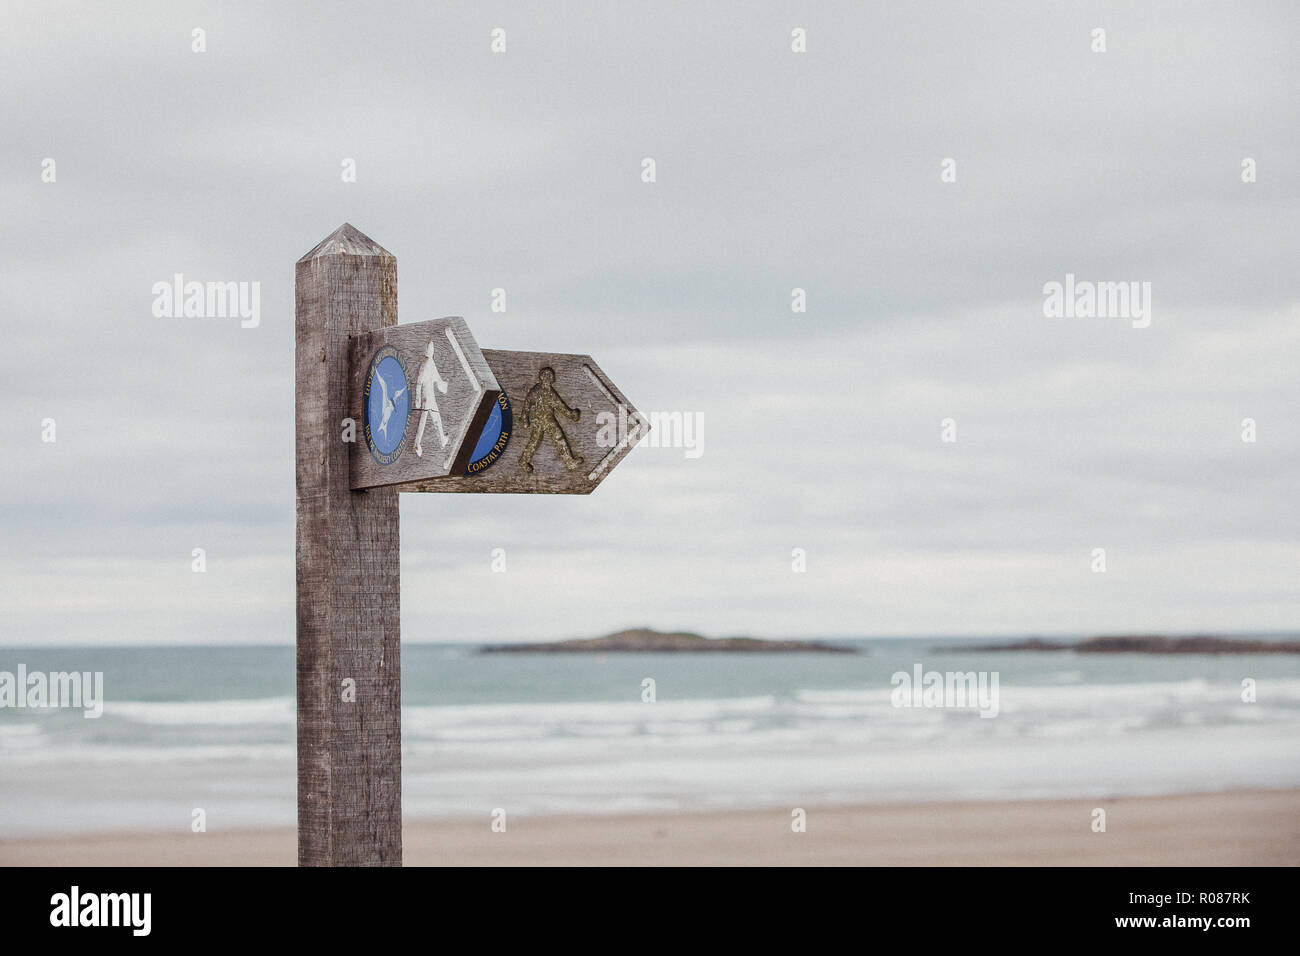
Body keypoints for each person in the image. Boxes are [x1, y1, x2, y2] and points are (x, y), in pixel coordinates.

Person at [520, 366, 584, 473]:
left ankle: (569, 462)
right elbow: (527, 403)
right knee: (534, 442)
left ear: (552, 378)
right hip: (538, 420)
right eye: (544, 375)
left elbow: (560, 406)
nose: (547, 377)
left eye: (549, 375)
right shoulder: (536, 390)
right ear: (540, 377)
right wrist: (525, 418)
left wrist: (570, 414)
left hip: (548, 419)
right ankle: (523, 461)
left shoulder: (551, 393)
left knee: (559, 438)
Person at [414, 340, 450, 458]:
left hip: (431, 397)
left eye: (432, 348)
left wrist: (443, 384)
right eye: (429, 348)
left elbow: (437, 379)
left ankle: (441, 439)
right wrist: (418, 399)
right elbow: (419, 382)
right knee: (425, 421)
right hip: (426, 397)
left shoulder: (431, 362)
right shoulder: (425, 364)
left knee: (434, 418)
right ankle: (417, 444)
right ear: (427, 350)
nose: (431, 350)